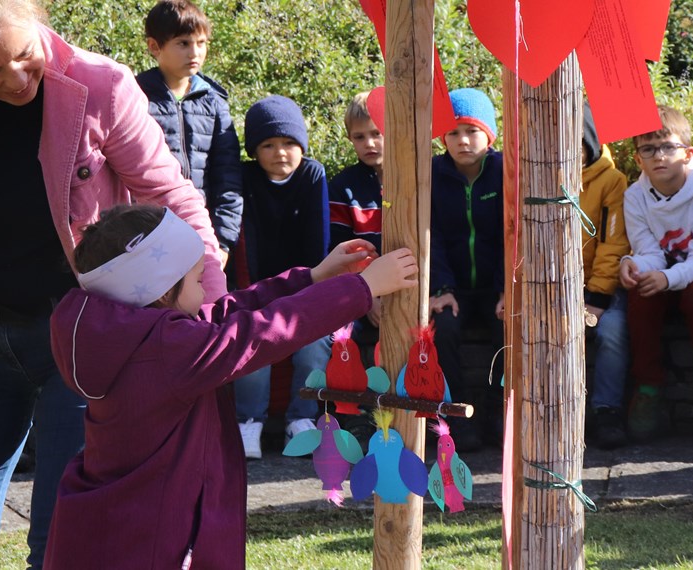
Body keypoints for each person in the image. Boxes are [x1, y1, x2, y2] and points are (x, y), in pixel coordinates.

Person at [0, 1, 228, 567]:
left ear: (38, 20)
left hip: (84, 345)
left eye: (24, 54)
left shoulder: (102, 85)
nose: (15, 80)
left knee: (64, 545)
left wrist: (212, 317)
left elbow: (173, 199)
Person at [43, 204, 417, 568]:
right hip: (158, 541)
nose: (205, 287)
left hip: (118, 528)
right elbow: (260, 332)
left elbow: (221, 316)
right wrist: (361, 288)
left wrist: (313, 277)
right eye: (196, 280)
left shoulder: (128, 337)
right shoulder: (169, 351)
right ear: (159, 293)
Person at [619, 105, 693, 444]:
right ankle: (648, 388)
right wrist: (635, 264)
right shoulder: (634, 196)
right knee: (640, 294)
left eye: (668, 146)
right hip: (661, 275)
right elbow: (648, 250)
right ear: (638, 159)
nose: (660, 157)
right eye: (649, 149)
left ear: (687, 153)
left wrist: (668, 278)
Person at [231, 95, 331, 459]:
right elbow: (246, 243)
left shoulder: (312, 174)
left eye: (290, 143)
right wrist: (257, 295)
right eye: (268, 145)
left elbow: (317, 243)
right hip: (255, 289)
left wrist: (307, 293)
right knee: (251, 339)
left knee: (314, 344)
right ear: (254, 151)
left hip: (304, 287)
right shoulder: (245, 178)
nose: (280, 153)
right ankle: (248, 422)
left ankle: (301, 420)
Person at [136, 0, 243, 268]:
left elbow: (228, 175)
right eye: (183, 43)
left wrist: (224, 239)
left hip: (202, 231)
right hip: (149, 232)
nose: (194, 52)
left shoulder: (214, 102)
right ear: (154, 46)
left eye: (201, 42)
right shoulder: (136, 97)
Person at [429, 87, 505, 452]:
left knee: (510, 326)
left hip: (496, 286)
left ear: (489, 134)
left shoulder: (505, 171)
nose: (462, 140)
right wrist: (441, 287)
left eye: (472, 131)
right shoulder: (433, 174)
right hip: (453, 286)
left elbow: (514, 233)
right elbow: (433, 236)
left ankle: (498, 413)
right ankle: (457, 416)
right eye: (454, 131)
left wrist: (509, 287)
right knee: (442, 328)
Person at [579, 102, 632, 450]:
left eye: (576, 144)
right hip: (550, 287)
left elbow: (613, 244)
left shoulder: (612, 181)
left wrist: (595, 299)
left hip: (601, 290)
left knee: (612, 332)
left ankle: (606, 410)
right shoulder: (533, 178)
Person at [328, 91, 384, 366]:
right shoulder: (343, 187)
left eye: (376, 133)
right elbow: (342, 252)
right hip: (362, 289)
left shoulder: (419, 177)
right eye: (359, 137)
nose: (369, 143)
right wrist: (369, 295)